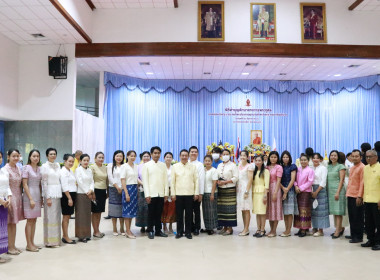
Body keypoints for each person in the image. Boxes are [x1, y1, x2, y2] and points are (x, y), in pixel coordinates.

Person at [171, 149, 199, 239]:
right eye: (182, 155)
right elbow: (172, 182)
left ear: (188, 156)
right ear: (179, 156)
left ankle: (188, 232)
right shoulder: (175, 166)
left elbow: (196, 181)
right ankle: (179, 232)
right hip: (178, 194)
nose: (184, 157)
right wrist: (173, 194)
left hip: (189, 194)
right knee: (179, 215)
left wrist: (196, 193)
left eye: (186, 155)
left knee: (189, 215)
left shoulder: (193, 166)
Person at [142, 146, 169, 239]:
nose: (157, 155)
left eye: (158, 153)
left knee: (159, 213)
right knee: (151, 213)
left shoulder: (163, 165)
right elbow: (145, 181)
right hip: (151, 194)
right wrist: (147, 195)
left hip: (161, 193)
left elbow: (166, 180)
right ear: (151, 154)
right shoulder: (146, 165)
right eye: (155, 153)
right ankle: (150, 230)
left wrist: (166, 194)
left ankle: (158, 231)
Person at [41, 148, 62, 248]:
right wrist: (47, 197)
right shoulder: (44, 166)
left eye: (54, 154)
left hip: (57, 193)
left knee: (57, 217)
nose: (53, 155)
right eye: (51, 154)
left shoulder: (58, 165)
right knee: (50, 217)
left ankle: (57, 240)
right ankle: (49, 241)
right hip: (49, 193)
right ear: (47, 155)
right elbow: (44, 183)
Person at [4, 149, 23, 255]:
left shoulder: (18, 168)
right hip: (9, 197)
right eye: (13, 156)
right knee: (9, 223)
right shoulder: (5, 169)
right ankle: (8, 247)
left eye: (17, 156)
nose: (16, 158)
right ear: (8, 157)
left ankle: (13, 245)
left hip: (18, 196)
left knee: (14, 223)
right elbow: (5, 186)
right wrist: (9, 198)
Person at [22, 149, 42, 252]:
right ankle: (28, 244)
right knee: (29, 220)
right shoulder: (26, 168)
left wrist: (41, 198)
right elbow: (24, 184)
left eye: (37, 156)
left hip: (37, 195)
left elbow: (40, 184)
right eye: (34, 156)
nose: (36, 158)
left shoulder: (39, 169)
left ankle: (32, 242)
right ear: (30, 157)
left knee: (34, 220)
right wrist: (30, 199)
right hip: (29, 196)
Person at [361, 150, 380, 250]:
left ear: (376, 157)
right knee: (369, 223)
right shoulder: (366, 168)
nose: (368, 158)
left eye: (370, 157)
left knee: (378, 223)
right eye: (367, 157)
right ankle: (371, 240)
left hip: (377, 201)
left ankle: (379, 242)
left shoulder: (379, 167)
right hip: (367, 199)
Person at [217, 149, 238, 236]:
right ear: (221, 155)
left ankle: (230, 228)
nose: (225, 155)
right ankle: (224, 227)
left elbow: (236, 178)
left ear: (230, 155)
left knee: (230, 209)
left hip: (230, 189)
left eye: (227, 154)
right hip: (221, 190)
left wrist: (225, 182)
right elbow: (217, 175)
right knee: (222, 209)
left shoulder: (233, 165)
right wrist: (218, 181)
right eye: (223, 154)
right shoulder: (219, 165)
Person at [346, 149, 365, 243]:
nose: (354, 158)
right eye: (352, 156)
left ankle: (359, 236)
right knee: (352, 216)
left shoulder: (362, 167)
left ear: (361, 157)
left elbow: (362, 183)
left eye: (356, 156)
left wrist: (360, 196)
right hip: (350, 194)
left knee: (358, 217)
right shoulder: (352, 167)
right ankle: (353, 234)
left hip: (357, 196)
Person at [294, 154, 315, 237]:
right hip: (297, 192)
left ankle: (304, 229)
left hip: (305, 192)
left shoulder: (310, 170)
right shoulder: (298, 169)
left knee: (305, 210)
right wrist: (296, 186)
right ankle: (300, 227)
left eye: (305, 160)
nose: (303, 161)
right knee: (298, 210)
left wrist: (301, 188)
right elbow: (294, 179)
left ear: (308, 161)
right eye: (301, 160)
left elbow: (310, 182)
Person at [75, 154, 95, 243]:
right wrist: (87, 191)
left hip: (88, 194)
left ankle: (87, 234)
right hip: (81, 194)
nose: (86, 162)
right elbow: (79, 182)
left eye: (87, 160)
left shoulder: (90, 170)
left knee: (87, 215)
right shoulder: (78, 170)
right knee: (81, 215)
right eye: (84, 160)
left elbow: (92, 181)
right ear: (80, 161)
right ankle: (81, 235)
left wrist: (91, 190)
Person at [327, 150, 347, 239]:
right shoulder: (328, 166)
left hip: (338, 191)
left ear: (338, 157)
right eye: (331, 155)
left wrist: (338, 192)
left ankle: (338, 230)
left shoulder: (341, 166)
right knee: (335, 212)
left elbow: (342, 180)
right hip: (330, 191)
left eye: (335, 155)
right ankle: (338, 228)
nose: (333, 157)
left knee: (338, 212)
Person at [120, 150, 139, 239]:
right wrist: (126, 193)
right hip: (127, 189)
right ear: (127, 156)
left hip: (135, 189)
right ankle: (127, 230)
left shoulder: (136, 166)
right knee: (127, 211)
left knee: (131, 212)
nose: (133, 157)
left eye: (134, 156)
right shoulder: (124, 166)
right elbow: (123, 180)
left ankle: (129, 229)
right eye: (131, 156)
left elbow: (136, 179)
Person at [106, 150, 125, 236]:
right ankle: (114, 228)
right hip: (113, 189)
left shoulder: (124, 166)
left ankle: (122, 227)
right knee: (114, 209)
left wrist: (122, 187)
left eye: (120, 156)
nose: (119, 158)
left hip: (123, 188)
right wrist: (117, 187)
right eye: (117, 156)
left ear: (123, 157)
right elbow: (110, 177)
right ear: (114, 156)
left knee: (122, 208)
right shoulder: (110, 165)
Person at [279, 151, 298, 237]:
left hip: (290, 190)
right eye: (284, 157)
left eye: (287, 157)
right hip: (281, 189)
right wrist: (283, 188)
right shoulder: (280, 167)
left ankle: (288, 230)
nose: (285, 159)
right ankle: (286, 229)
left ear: (289, 158)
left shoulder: (292, 166)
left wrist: (286, 190)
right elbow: (277, 179)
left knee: (289, 211)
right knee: (285, 211)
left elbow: (293, 179)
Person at [311, 153, 329, 237]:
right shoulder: (311, 168)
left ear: (320, 159)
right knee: (314, 210)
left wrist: (316, 192)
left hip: (320, 189)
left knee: (320, 210)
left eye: (317, 158)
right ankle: (314, 227)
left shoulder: (323, 168)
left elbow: (323, 181)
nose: (315, 160)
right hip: (312, 189)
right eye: (313, 158)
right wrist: (311, 191)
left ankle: (321, 230)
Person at [90, 152, 108, 238]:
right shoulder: (92, 167)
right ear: (95, 158)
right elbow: (91, 181)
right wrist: (92, 193)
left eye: (102, 157)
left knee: (100, 212)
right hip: (95, 191)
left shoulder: (105, 167)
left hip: (103, 191)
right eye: (99, 157)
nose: (101, 159)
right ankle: (95, 231)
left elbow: (107, 180)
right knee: (95, 212)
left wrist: (107, 191)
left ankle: (98, 230)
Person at [60, 154, 77, 244]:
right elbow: (64, 186)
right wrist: (69, 198)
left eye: (72, 161)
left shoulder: (70, 171)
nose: (71, 163)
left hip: (72, 194)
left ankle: (66, 235)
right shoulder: (63, 172)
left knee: (68, 216)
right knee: (66, 217)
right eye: (69, 161)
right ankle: (65, 236)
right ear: (65, 161)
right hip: (67, 195)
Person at [251, 155, 270, 238]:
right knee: (257, 212)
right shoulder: (254, 171)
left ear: (263, 161)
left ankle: (262, 229)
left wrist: (265, 195)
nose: (258, 162)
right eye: (256, 160)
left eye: (259, 160)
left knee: (262, 212)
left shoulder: (265, 171)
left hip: (262, 193)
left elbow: (266, 184)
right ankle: (258, 228)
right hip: (255, 193)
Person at [266, 151, 283, 237]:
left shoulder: (279, 167)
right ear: (269, 158)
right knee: (269, 210)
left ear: (277, 158)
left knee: (275, 210)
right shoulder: (267, 167)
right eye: (271, 157)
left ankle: (274, 230)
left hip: (275, 188)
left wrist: (275, 193)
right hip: (268, 189)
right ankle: (270, 229)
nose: (273, 159)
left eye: (275, 157)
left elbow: (279, 180)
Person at [189, 146, 205, 236]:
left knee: (196, 211)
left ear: (197, 154)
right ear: (189, 153)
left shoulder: (199, 165)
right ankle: (190, 226)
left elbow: (201, 179)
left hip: (196, 192)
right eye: (192, 152)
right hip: (187, 192)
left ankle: (197, 228)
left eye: (195, 152)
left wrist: (200, 193)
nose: (193, 153)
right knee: (188, 211)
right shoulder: (186, 163)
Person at [237, 150, 253, 236]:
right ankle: (245, 228)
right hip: (239, 190)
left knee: (246, 210)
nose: (242, 157)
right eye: (241, 155)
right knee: (243, 209)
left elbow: (250, 179)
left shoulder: (249, 166)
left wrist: (246, 191)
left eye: (244, 155)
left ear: (247, 157)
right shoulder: (239, 165)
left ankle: (246, 229)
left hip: (246, 189)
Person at [0, 151, 12, 263]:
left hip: (4, 204)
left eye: (0, 157)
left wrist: (9, 198)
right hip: (1, 202)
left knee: (1, 229)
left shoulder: (3, 171)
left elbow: (7, 186)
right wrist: (1, 201)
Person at [202, 155, 218, 235]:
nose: (207, 162)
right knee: (205, 211)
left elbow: (214, 182)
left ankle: (211, 228)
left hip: (211, 193)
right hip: (204, 192)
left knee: (211, 211)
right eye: (206, 161)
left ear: (211, 162)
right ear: (204, 162)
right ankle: (207, 227)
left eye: (209, 161)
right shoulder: (203, 170)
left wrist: (212, 194)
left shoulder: (214, 170)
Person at [136, 151, 151, 232]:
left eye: (148, 156)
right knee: (142, 208)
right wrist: (143, 184)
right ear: (142, 157)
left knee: (150, 208)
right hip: (141, 190)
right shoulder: (139, 166)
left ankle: (149, 225)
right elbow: (136, 177)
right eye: (144, 156)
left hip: (152, 190)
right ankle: (142, 226)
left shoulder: (152, 165)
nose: (146, 158)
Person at [162, 152, 176, 234]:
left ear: (172, 159)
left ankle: (170, 226)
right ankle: (164, 226)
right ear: (164, 158)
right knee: (164, 209)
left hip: (172, 190)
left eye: (170, 157)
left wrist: (172, 190)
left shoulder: (174, 167)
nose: (168, 158)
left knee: (172, 209)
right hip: (164, 190)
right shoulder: (161, 167)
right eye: (167, 157)